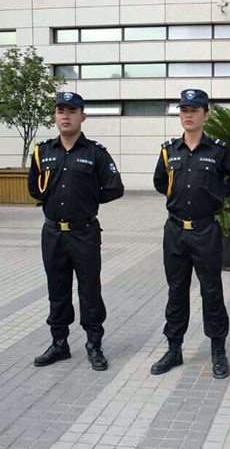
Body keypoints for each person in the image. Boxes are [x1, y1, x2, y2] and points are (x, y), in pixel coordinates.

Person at [152, 89, 230, 378]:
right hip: (175, 231)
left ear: (206, 114)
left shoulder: (218, 150)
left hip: (206, 230)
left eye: (194, 110)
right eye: (184, 110)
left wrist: (215, 194)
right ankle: (174, 349)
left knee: (211, 291)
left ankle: (218, 350)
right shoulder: (169, 150)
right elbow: (160, 182)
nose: (188, 115)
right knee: (176, 291)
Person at [28, 91, 124, 371]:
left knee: (89, 291)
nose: (65, 116)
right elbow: (34, 188)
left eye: (72, 111)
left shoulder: (95, 153)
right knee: (57, 290)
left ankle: (94, 345)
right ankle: (59, 344)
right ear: (55, 116)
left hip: (84, 233)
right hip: (53, 234)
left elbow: (114, 188)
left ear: (83, 116)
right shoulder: (42, 152)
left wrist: (87, 201)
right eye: (61, 111)